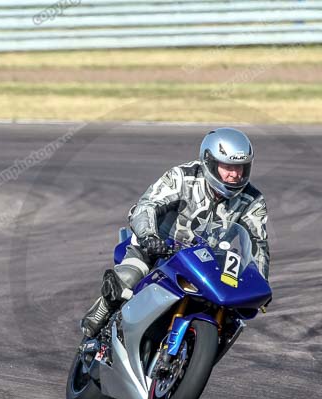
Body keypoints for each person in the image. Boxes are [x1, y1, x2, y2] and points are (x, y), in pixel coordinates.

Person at [80, 127, 270, 338]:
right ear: (209, 162)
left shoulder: (253, 199)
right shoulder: (182, 177)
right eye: (228, 167)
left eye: (241, 167)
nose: (235, 175)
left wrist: (260, 282)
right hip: (158, 248)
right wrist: (149, 237)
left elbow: (258, 242)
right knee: (129, 276)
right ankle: (103, 310)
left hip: (205, 263)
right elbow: (147, 206)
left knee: (232, 315)